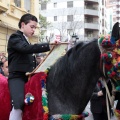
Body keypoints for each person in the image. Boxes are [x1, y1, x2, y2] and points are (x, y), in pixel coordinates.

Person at [7, 13, 59, 120]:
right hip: (17, 77)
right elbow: (26, 49)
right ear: (22, 25)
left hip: (29, 77)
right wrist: (48, 45)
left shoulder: (26, 40)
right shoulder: (15, 37)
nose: (34, 30)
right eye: (32, 27)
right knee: (19, 103)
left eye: (35, 27)